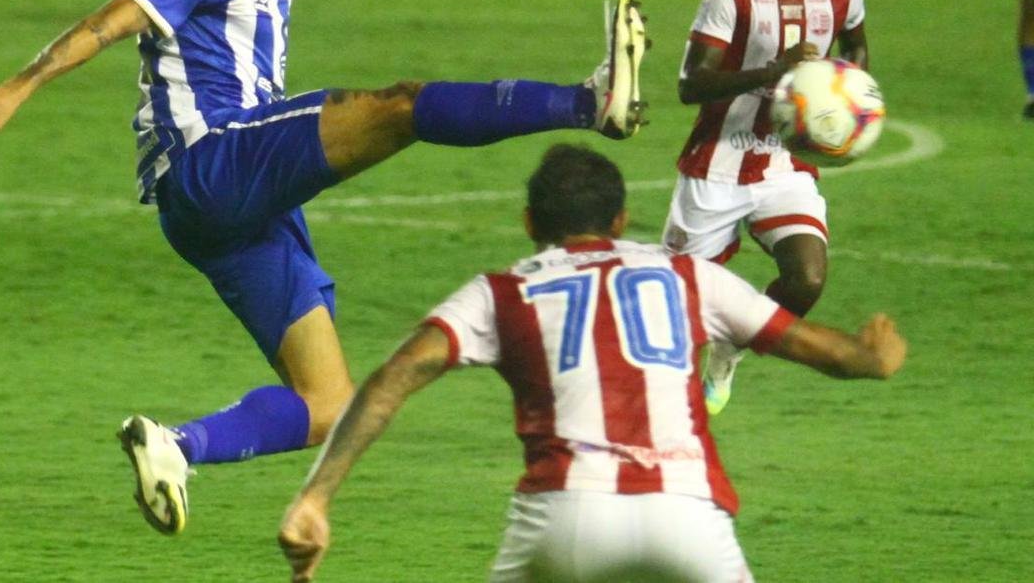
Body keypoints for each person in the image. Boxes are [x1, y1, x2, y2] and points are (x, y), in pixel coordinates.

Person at [0, 0, 650, 536]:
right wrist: (17, 85)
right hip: (212, 159)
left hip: (224, 209)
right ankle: (588, 102)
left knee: (327, 401)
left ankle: (175, 446)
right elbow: (116, 18)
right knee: (401, 106)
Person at [278, 143, 906, 583]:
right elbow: (821, 351)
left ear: (529, 222)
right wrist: (871, 354)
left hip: (564, 516)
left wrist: (316, 498)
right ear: (620, 219)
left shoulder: (500, 292)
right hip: (687, 514)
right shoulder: (689, 276)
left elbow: (395, 378)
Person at [662, 0, 869, 415]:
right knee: (674, 313)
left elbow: (857, 45)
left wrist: (841, 114)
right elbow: (691, 84)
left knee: (808, 278)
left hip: (784, 166)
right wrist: (776, 72)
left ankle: (729, 351)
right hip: (717, 167)